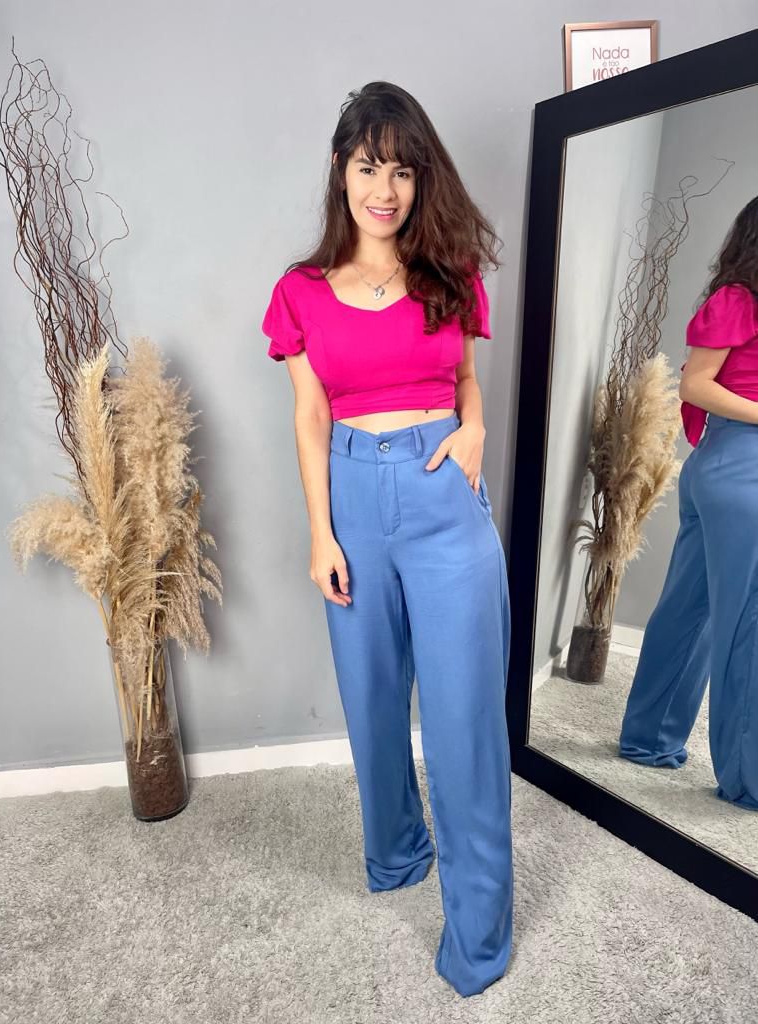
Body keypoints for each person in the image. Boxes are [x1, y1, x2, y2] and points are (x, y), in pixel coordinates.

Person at [261, 81, 512, 997]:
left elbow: (465, 380)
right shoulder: (299, 293)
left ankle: (478, 938)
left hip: (443, 496)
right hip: (354, 504)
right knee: (371, 707)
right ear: (341, 169)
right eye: (370, 166)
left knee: (462, 723)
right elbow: (309, 416)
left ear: (420, 179)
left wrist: (472, 427)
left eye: (403, 171)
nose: (386, 189)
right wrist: (320, 534)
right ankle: (397, 854)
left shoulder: (449, 272)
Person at [618, 196, 758, 811]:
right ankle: (747, 779)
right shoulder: (739, 299)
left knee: (690, 608)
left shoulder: (736, 299)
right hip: (743, 465)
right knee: (747, 625)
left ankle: (649, 739)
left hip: (721, 466)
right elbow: (696, 385)